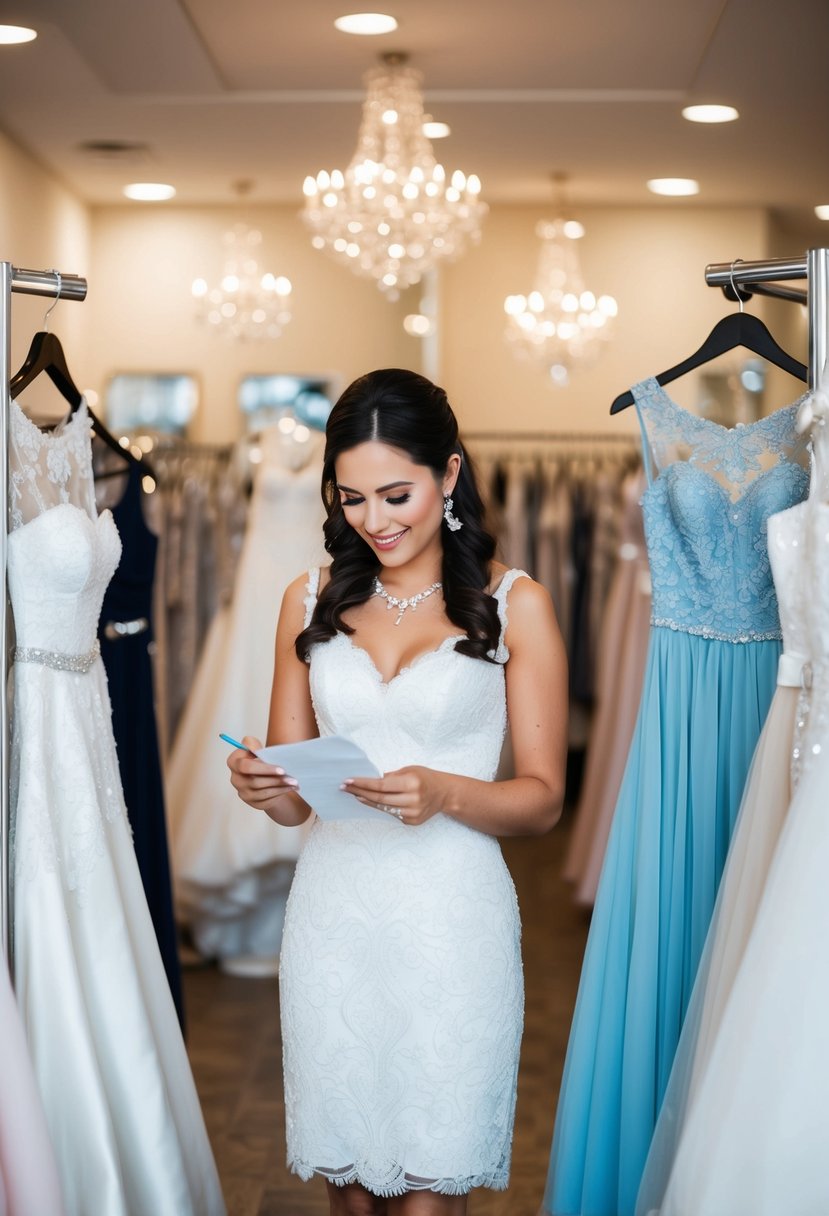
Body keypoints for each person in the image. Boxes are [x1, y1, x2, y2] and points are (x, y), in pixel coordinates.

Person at [227, 367, 568, 1215]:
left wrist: (446, 793)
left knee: (425, 1194)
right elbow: (295, 798)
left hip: (451, 922)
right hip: (334, 916)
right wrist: (262, 783)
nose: (373, 522)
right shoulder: (305, 600)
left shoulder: (512, 604)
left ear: (448, 475)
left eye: (394, 495)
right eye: (350, 500)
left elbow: (542, 798)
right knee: (347, 1191)